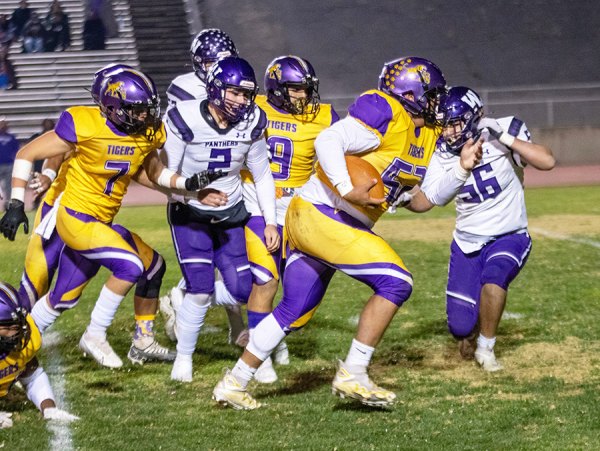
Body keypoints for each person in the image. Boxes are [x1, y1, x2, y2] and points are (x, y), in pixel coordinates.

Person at [211, 56, 459, 410]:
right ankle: (354, 372)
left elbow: (424, 200)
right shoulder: (385, 108)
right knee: (396, 282)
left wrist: (461, 169)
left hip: (325, 219)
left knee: (295, 310)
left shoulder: (426, 134)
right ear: (410, 92)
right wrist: (346, 186)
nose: (437, 102)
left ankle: (234, 383)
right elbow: (329, 140)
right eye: (432, 94)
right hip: (322, 213)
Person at [0, 68, 221, 369]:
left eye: (147, 108)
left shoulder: (145, 132)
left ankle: (140, 341)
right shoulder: (85, 124)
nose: (145, 116)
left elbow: (149, 172)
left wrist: (189, 188)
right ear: (115, 107)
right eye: (138, 109)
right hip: (72, 215)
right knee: (123, 266)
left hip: (99, 223)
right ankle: (94, 333)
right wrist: (16, 201)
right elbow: (29, 153)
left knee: (78, 292)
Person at [404, 86, 555, 371]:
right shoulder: (441, 153)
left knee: (494, 277)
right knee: (460, 327)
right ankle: (472, 332)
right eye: (445, 126)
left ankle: (487, 348)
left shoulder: (505, 129)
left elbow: (547, 161)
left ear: (473, 118)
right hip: (466, 242)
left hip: (509, 234)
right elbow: (427, 201)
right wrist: (404, 199)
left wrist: (504, 137)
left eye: (454, 124)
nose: (448, 133)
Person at [210, 55, 340, 383]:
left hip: (300, 211)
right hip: (258, 207)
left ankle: (208, 300)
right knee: (266, 281)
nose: (303, 96)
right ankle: (258, 352)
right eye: (296, 89)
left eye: (306, 89)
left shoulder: (324, 116)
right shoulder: (253, 110)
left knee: (297, 288)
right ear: (278, 88)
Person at [163, 56, 278, 382]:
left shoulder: (253, 120)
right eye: (235, 93)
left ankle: (181, 300)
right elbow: (164, 175)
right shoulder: (183, 117)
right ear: (215, 89)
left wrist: (269, 221)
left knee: (243, 290)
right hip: (190, 213)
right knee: (200, 288)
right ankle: (184, 359)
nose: (243, 101)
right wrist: (194, 194)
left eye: (247, 94)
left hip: (231, 213)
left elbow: (261, 173)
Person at [160, 28, 248, 347]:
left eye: (224, 61)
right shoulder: (185, 88)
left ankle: (234, 323)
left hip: (227, 178)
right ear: (199, 63)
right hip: (193, 182)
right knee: (209, 259)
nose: (217, 68)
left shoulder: (237, 83)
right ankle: (187, 297)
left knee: (232, 261)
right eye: (212, 61)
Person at [0, 281, 79, 429]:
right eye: (8, 326)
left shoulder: (25, 339)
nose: (16, 333)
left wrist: (49, 408)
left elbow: (32, 376)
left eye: (18, 324)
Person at [0, 117, 20, 210]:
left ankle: (8, 204)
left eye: (4, 124)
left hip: (9, 165)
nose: (2, 126)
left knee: (9, 186)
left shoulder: (12, 137)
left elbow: (16, 150)